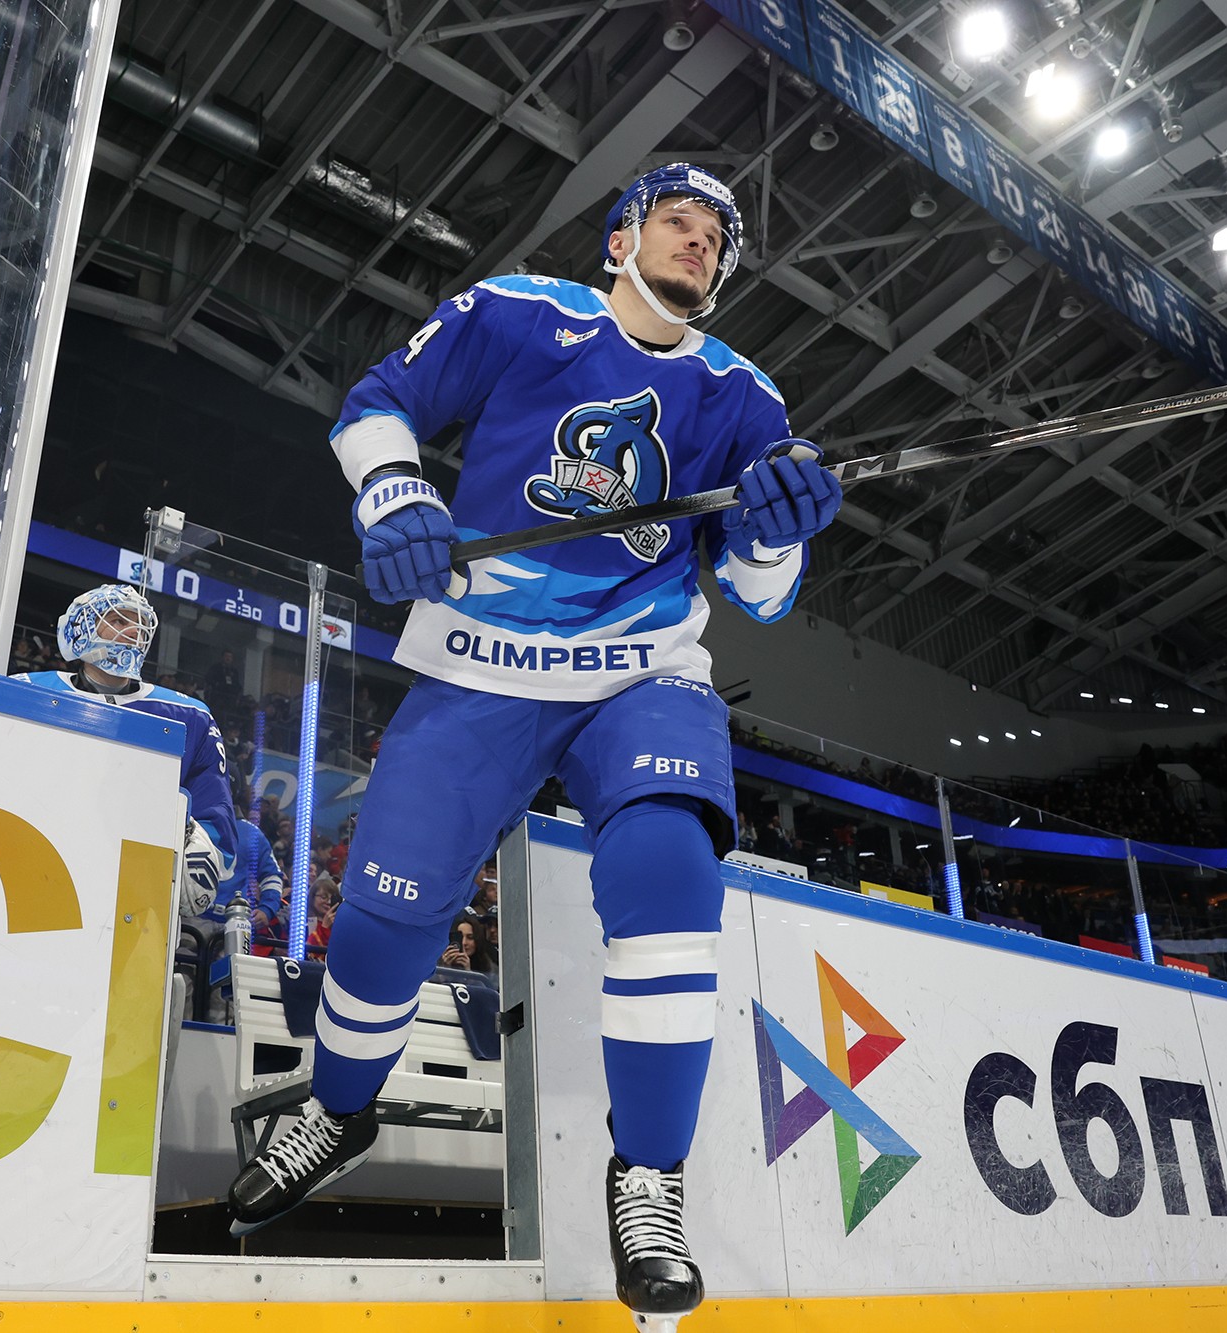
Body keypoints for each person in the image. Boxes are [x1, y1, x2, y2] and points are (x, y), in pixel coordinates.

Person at [223, 164, 841, 1329]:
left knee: (668, 871)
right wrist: (396, 495)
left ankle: (646, 1180)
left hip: (641, 669)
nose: (698, 244)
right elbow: (375, 405)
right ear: (618, 239)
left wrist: (774, 535)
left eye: (715, 238)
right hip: (481, 660)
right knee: (385, 909)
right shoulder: (519, 313)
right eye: (676, 222)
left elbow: (761, 594)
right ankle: (338, 1108)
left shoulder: (742, 394)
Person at [14, 584, 236, 918]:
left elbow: (213, 806)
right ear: (81, 628)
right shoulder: (26, 692)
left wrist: (205, 848)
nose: (132, 632)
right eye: (118, 621)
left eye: (138, 626)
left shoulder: (192, 716)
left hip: (134, 893)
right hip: (36, 867)